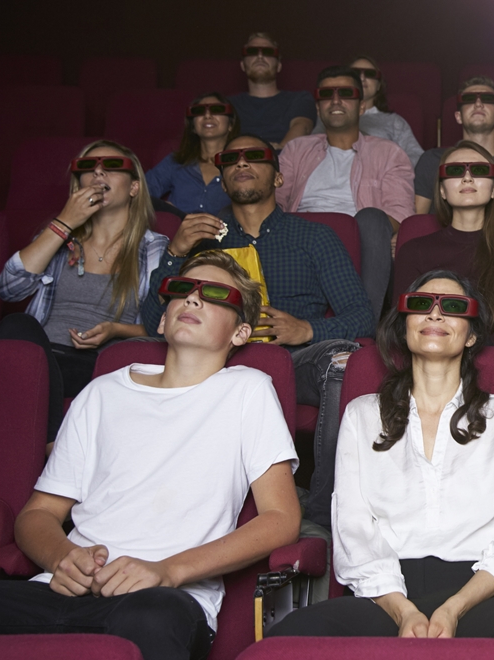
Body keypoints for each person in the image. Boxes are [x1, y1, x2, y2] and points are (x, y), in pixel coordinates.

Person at [0, 249, 300, 660]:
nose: (193, 299)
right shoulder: (102, 392)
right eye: (182, 290)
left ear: (240, 333)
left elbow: (281, 519)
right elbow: (37, 515)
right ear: (162, 318)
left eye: (214, 294)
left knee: (151, 621)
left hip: (160, 599)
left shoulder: (247, 389)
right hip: (59, 589)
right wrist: (64, 558)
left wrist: (167, 571)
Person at [266, 270, 494, 660]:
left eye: (454, 307)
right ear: (404, 326)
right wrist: (404, 610)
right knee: (286, 643)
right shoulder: (362, 415)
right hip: (386, 592)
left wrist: (453, 609)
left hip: (478, 593)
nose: (435, 314)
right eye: (421, 304)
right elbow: (353, 528)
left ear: (472, 334)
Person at [140, 134, 372, 530]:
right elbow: (152, 322)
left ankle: (321, 514)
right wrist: (176, 253)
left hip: (293, 359)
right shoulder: (200, 239)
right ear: (224, 178)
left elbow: (363, 317)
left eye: (255, 157)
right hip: (215, 361)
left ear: (279, 178)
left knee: (343, 360)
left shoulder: (314, 237)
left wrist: (306, 329)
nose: (242, 163)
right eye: (231, 159)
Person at [0, 140, 168, 443]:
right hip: (39, 354)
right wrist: (64, 223)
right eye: (87, 167)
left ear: (134, 187)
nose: (98, 172)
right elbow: (9, 290)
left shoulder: (154, 248)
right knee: (15, 326)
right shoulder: (56, 237)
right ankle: (52, 443)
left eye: (113, 166)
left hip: (99, 364)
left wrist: (116, 329)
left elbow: (165, 327)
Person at [278, 64, 415, 323]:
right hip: (299, 240)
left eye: (346, 93)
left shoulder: (389, 153)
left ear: (362, 105)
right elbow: (276, 201)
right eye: (327, 94)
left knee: (374, 218)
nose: (336, 100)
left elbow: (400, 215)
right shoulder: (296, 149)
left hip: (357, 242)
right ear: (318, 107)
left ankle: (365, 327)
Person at [395, 141, 494, 355]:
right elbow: (398, 326)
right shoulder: (413, 252)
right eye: (454, 170)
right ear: (442, 191)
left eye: (480, 170)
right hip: (430, 364)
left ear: (493, 189)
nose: (467, 177)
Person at [415, 75, 494, 224]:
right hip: (445, 244)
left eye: (488, 98)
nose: (478, 104)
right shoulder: (432, 160)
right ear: (458, 116)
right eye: (468, 99)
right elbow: (416, 223)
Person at [316, 55, 423, 168]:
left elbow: (417, 157)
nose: (362, 78)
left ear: (379, 85)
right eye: (355, 73)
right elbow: (314, 149)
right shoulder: (330, 113)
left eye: (370, 74)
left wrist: (388, 169)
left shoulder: (394, 121)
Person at [145, 92, 239, 217]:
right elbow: (141, 192)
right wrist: (167, 210)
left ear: (230, 125)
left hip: (226, 234)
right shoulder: (176, 161)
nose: (207, 115)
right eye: (199, 111)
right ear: (193, 127)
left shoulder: (242, 163)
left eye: (217, 109)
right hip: (177, 233)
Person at [229, 32, 315, 149]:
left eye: (268, 52)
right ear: (243, 65)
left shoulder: (299, 98)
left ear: (279, 65)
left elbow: (302, 126)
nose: (260, 56)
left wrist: (279, 151)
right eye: (252, 52)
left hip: (284, 161)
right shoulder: (228, 104)